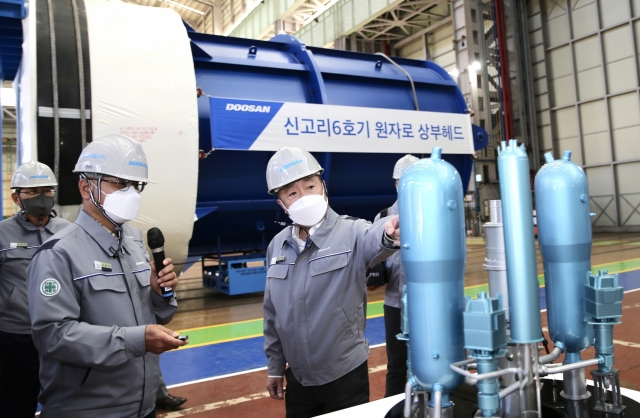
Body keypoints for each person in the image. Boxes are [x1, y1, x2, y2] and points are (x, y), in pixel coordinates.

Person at [26, 134, 186, 418]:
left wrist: (159, 296)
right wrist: (136, 340)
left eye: (136, 186)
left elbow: (153, 318)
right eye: (121, 184)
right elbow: (53, 336)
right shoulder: (58, 253)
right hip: (89, 410)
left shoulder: (134, 241)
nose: (132, 194)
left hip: (142, 406)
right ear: (87, 188)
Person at [263, 146, 401, 417]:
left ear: (323, 186)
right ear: (281, 203)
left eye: (310, 185)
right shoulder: (277, 246)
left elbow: (374, 239)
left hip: (345, 377)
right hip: (299, 380)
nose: (304, 197)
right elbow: (272, 314)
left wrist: (388, 235)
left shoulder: (352, 231)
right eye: (292, 193)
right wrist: (275, 367)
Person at [0, 162, 71, 418]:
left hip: (61, 333)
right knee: (15, 402)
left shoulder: (69, 232)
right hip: (17, 337)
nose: (40, 197)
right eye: (31, 192)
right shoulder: (2, 234)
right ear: (16, 197)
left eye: (46, 190)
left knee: (65, 402)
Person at [368, 154, 418, 397]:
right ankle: (394, 409)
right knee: (397, 366)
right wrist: (372, 275)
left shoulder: (436, 213)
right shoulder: (383, 216)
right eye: (401, 181)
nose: (405, 185)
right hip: (395, 304)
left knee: (430, 360)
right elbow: (371, 257)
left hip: (428, 303)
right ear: (396, 184)